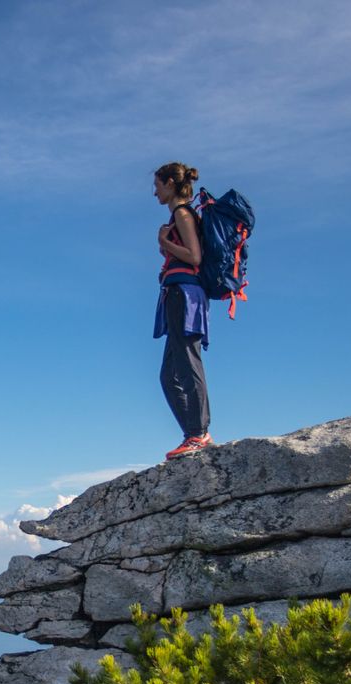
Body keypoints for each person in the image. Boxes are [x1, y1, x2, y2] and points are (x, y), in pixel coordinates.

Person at [152, 162, 212, 460]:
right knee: (168, 375)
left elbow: (194, 256)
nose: (155, 192)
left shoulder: (183, 214)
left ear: (170, 184)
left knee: (188, 363)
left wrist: (164, 242)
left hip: (185, 295)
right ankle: (193, 433)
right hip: (178, 294)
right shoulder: (180, 215)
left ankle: (198, 433)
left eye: (158, 185)